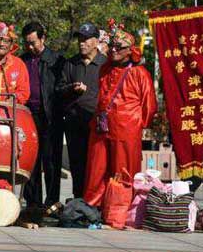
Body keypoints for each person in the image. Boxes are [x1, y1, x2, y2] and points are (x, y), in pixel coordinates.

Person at [84, 21, 157, 207]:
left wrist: (137, 126)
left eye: (119, 47)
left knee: (123, 171)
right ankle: (94, 206)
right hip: (101, 127)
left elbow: (149, 105)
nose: (114, 50)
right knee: (97, 169)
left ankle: (121, 208)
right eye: (112, 46)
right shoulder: (105, 69)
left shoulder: (140, 73)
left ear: (130, 50)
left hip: (126, 130)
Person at [56, 23, 106, 199]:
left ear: (96, 41)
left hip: (96, 123)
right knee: (77, 163)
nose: (81, 43)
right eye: (80, 39)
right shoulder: (71, 64)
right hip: (74, 122)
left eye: (86, 39)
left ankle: (95, 201)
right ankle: (78, 199)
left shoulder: (105, 64)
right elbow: (59, 89)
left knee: (96, 164)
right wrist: (72, 88)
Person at [20, 21, 65, 214]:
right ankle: (33, 201)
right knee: (31, 160)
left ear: (43, 38)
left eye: (33, 42)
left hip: (50, 116)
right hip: (28, 116)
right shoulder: (22, 60)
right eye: (27, 43)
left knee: (51, 160)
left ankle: (52, 202)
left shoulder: (56, 60)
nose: (30, 47)